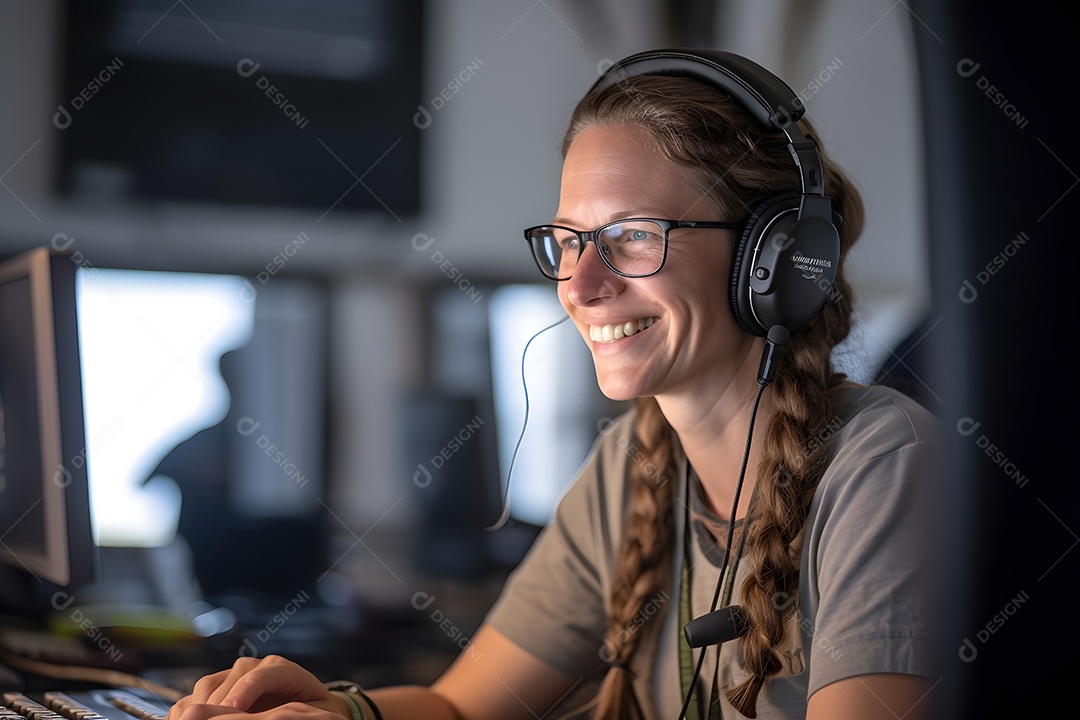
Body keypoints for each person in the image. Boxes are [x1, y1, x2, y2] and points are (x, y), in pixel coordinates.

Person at [167, 48, 939, 720]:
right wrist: (336, 710)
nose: (579, 282)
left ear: (772, 262)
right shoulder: (630, 471)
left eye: (631, 236)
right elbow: (460, 707)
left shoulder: (880, 466)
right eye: (568, 240)